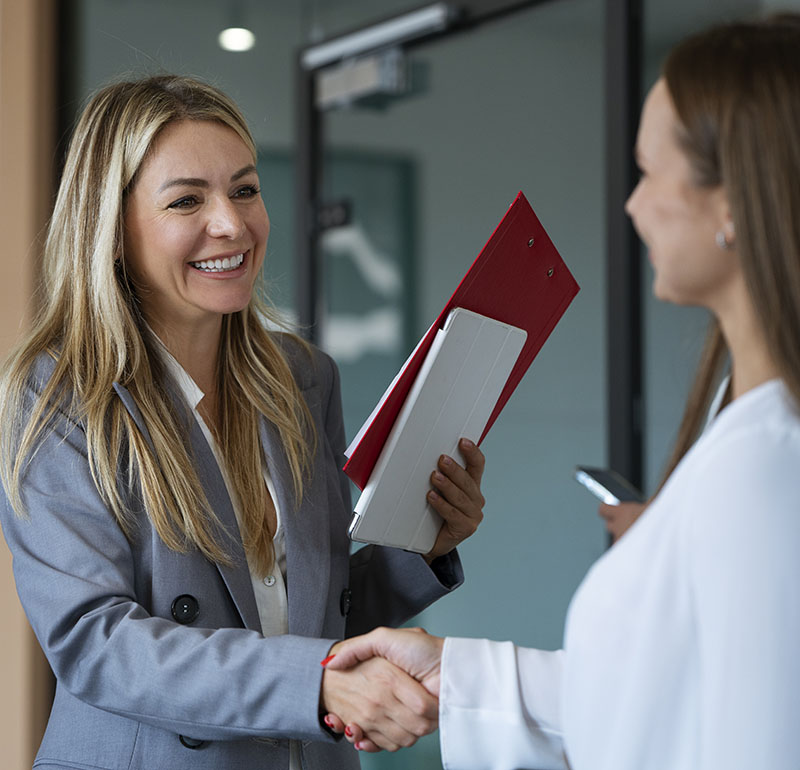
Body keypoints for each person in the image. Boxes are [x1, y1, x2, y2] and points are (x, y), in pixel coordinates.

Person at [324, 13, 800, 769]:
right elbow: (653, 701)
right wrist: (457, 675)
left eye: (648, 174)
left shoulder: (767, 463)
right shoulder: (743, 429)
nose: (632, 206)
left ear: (733, 200)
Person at [0, 75, 488, 770]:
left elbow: (310, 616)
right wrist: (312, 683)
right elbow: (96, 643)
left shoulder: (302, 377)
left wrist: (420, 548)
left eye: (245, 190)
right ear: (110, 230)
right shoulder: (57, 397)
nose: (231, 224)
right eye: (187, 200)